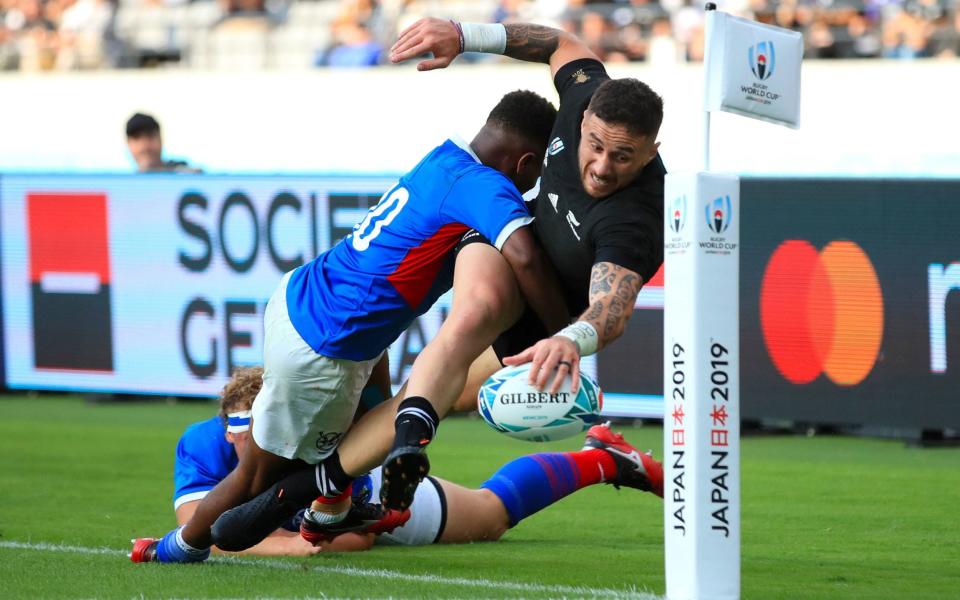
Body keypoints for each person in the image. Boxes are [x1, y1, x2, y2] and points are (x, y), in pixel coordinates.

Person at [206, 19, 667, 548]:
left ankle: (329, 486)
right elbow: (561, 42)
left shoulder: (635, 220)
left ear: (652, 151)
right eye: (594, 146)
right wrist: (465, 35)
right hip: (512, 261)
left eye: (623, 156)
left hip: (553, 319)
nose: (602, 167)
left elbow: (612, 308)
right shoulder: (584, 90)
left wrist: (568, 338)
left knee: (430, 393)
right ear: (582, 118)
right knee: (470, 319)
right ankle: (383, 458)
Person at [131, 89, 569, 563]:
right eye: (538, 173)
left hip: (306, 297)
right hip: (327, 343)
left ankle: (337, 502)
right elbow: (523, 254)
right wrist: (566, 332)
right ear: (525, 162)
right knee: (258, 474)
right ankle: (182, 547)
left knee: (373, 423)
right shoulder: (486, 185)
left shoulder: (444, 158)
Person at [132, 366, 663, 560]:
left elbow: (359, 535)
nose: (278, 448)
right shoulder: (201, 443)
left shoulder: (323, 439)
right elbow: (197, 528)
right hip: (300, 525)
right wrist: (287, 544)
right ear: (230, 433)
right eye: (261, 438)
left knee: (492, 514)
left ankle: (603, 460)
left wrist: (304, 541)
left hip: (370, 502)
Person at [125, 112, 200, 173]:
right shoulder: (124, 186)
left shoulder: (183, 173)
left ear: (161, 139)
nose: (144, 146)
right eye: (137, 138)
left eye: (150, 137)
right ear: (128, 144)